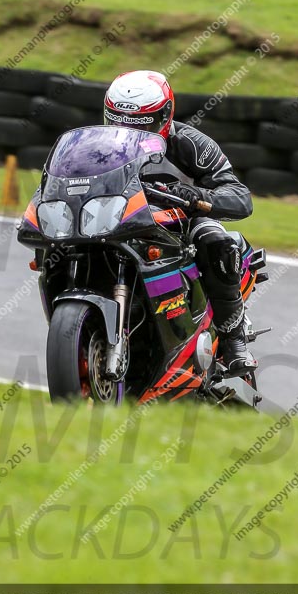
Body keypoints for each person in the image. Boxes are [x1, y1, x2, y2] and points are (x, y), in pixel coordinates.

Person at [103, 69, 257, 376]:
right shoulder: (95, 147)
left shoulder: (190, 144)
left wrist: (196, 196)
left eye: (142, 124)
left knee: (217, 241)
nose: (129, 132)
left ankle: (233, 339)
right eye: (118, 121)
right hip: (116, 222)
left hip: (180, 225)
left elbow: (240, 197)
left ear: (165, 114)